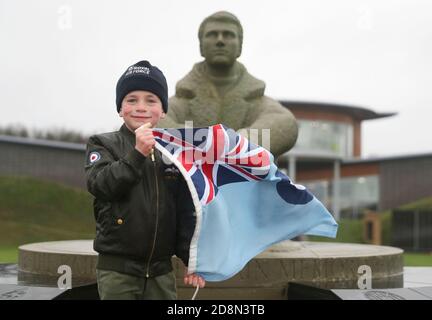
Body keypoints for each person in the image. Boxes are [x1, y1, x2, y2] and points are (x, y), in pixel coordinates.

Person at [85, 60, 205, 300]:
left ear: (163, 110)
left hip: (161, 272)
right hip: (117, 271)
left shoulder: (174, 153)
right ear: (120, 109)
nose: (141, 107)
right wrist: (137, 153)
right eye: (131, 100)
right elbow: (101, 184)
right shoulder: (103, 143)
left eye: (151, 100)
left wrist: (192, 261)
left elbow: (184, 211)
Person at [158, 11, 298, 157]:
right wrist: (198, 142)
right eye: (212, 34)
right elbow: (155, 119)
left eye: (228, 35)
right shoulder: (185, 96)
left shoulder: (254, 97)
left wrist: (240, 143)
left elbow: (284, 122)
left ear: (240, 46)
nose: (220, 41)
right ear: (201, 46)